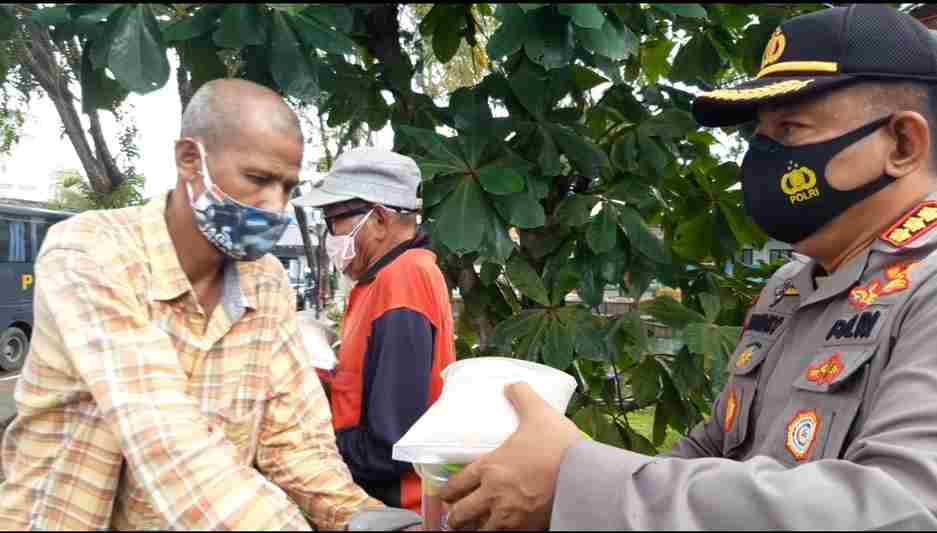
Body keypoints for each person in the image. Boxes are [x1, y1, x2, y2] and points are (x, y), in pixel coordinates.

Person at [440, 4, 937, 530]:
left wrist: (580, 481)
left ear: (903, 144)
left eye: (790, 129)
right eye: (761, 133)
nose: (763, 156)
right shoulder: (790, 286)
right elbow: (714, 451)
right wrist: (561, 481)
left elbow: (902, 510)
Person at [0, 79, 384, 530]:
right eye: (258, 179)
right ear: (189, 159)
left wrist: (366, 518)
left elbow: (295, 440)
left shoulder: (266, 283)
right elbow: (164, 436)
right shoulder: (92, 252)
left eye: (287, 188)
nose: (276, 207)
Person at [295, 148, 456, 514]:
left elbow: (390, 445)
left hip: (394, 507)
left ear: (380, 219)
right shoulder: (383, 280)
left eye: (333, 221)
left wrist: (309, 445)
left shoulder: (403, 280)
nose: (329, 236)